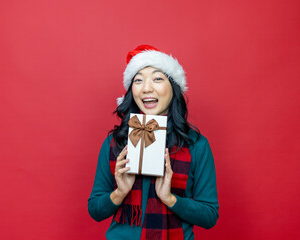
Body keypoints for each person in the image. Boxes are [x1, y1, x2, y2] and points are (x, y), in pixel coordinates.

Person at [88, 45, 219, 240]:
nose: (147, 88)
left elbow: (209, 216)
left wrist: (170, 198)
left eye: (157, 78)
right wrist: (120, 192)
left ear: (173, 88)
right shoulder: (114, 143)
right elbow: (95, 210)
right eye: (138, 80)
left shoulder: (197, 145)